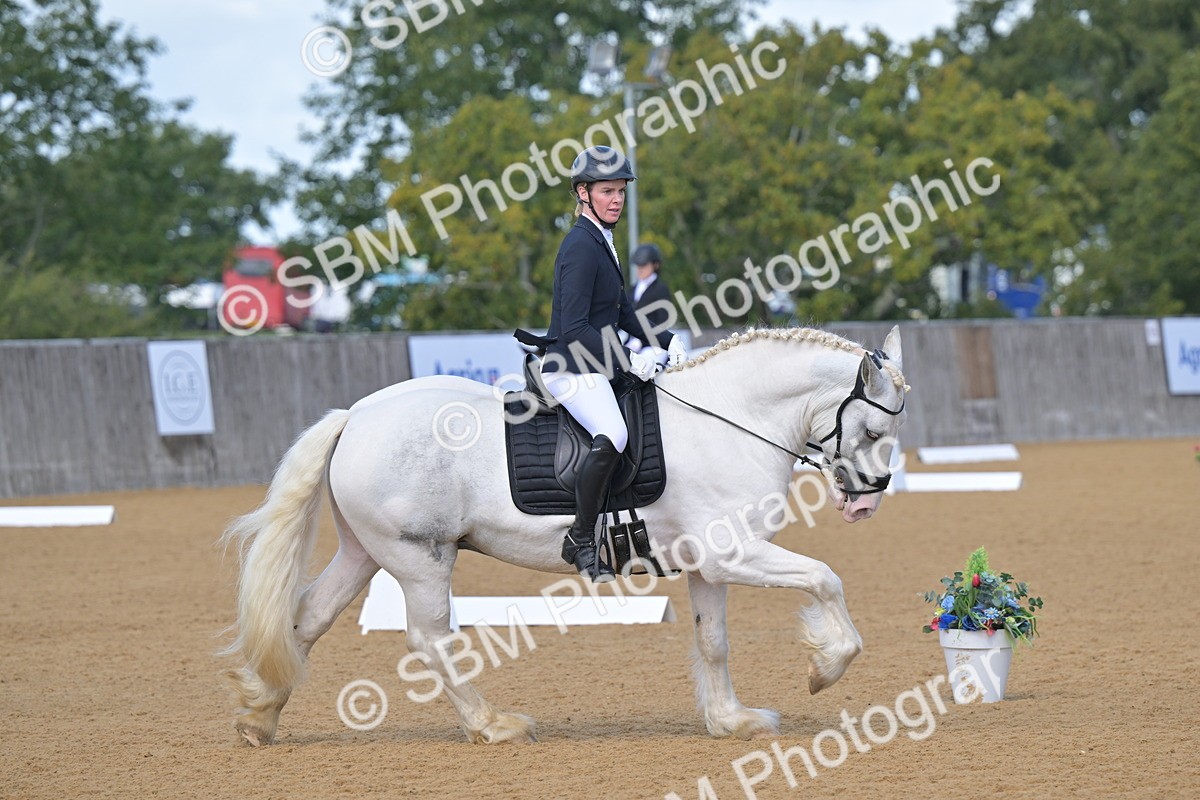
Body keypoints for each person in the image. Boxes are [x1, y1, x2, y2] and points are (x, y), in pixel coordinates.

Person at [541, 145, 686, 582]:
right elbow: (573, 327)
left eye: (621, 191)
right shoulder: (581, 246)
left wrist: (665, 338)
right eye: (607, 191)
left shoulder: (603, 241)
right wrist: (628, 360)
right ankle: (581, 538)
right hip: (570, 368)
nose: (617, 199)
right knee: (615, 433)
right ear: (583, 192)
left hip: (594, 364)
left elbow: (622, 312)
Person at [626, 243, 672, 353]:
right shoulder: (632, 289)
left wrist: (641, 342)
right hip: (631, 343)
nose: (640, 269)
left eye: (644, 265)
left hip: (653, 346)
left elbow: (663, 322)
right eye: (638, 265)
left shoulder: (660, 289)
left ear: (655, 265)